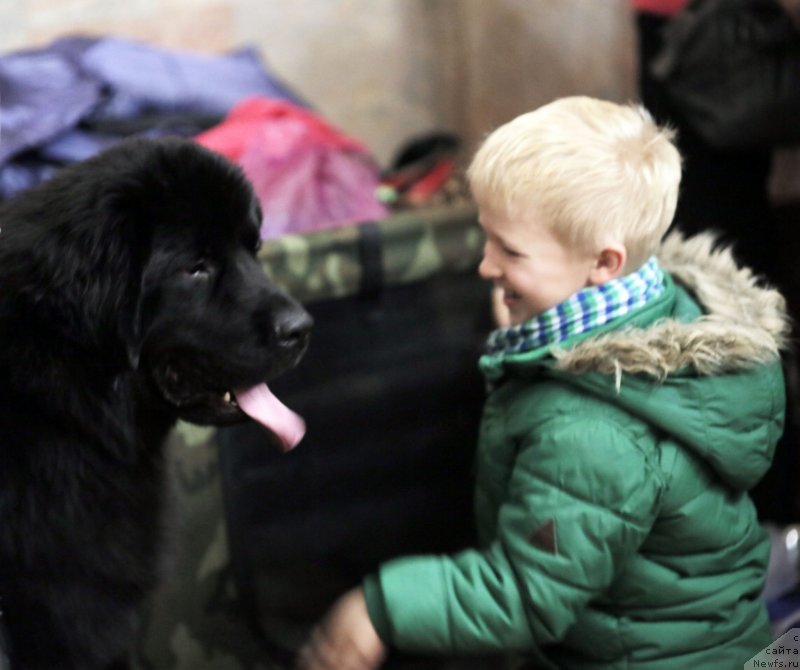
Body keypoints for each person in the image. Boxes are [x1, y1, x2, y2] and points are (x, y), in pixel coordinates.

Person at [296, 96, 789, 670]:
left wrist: (381, 609)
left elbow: (527, 594)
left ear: (602, 263)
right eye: (488, 239)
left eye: (510, 250)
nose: (485, 265)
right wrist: (529, 309)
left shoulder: (593, 433)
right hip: (684, 635)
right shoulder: (656, 300)